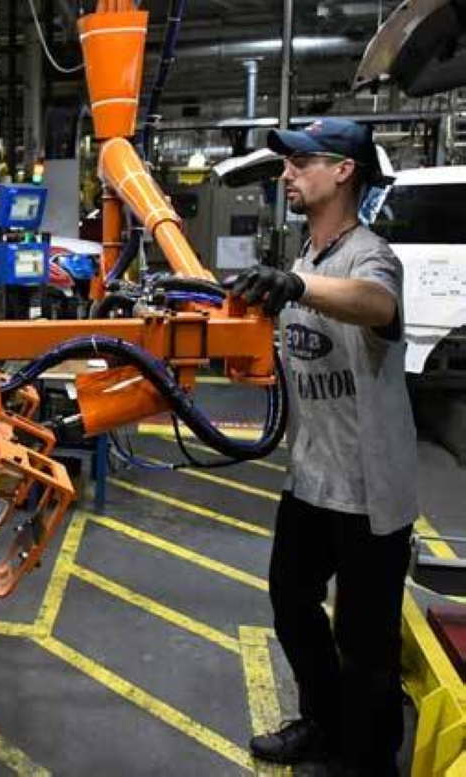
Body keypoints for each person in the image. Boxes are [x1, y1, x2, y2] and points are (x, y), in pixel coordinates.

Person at [224, 118, 418, 776]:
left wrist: (298, 288)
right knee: (291, 602)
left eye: (301, 161)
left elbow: (376, 303)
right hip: (309, 481)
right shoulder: (307, 258)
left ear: (344, 171)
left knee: (365, 643)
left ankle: (367, 760)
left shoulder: (369, 255)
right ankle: (324, 721)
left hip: (368, 489)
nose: (287, 174)